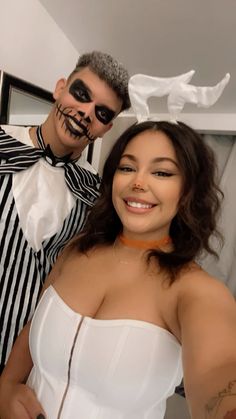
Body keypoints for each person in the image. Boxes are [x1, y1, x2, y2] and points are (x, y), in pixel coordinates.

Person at [1, 120, 236, 419]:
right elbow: (33, 325)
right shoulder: (76, 249)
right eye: (127, 167)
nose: (138, 182)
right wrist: (6, 385)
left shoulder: (196, 292)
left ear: (189, 190)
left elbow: (220, 371)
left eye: (161, 172)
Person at [0, 50, 130, 373]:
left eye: (101, 112)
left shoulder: (97, 196)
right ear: (60, 88)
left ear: (106, 128)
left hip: (29, 366)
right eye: (81, 94)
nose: (85, 112)